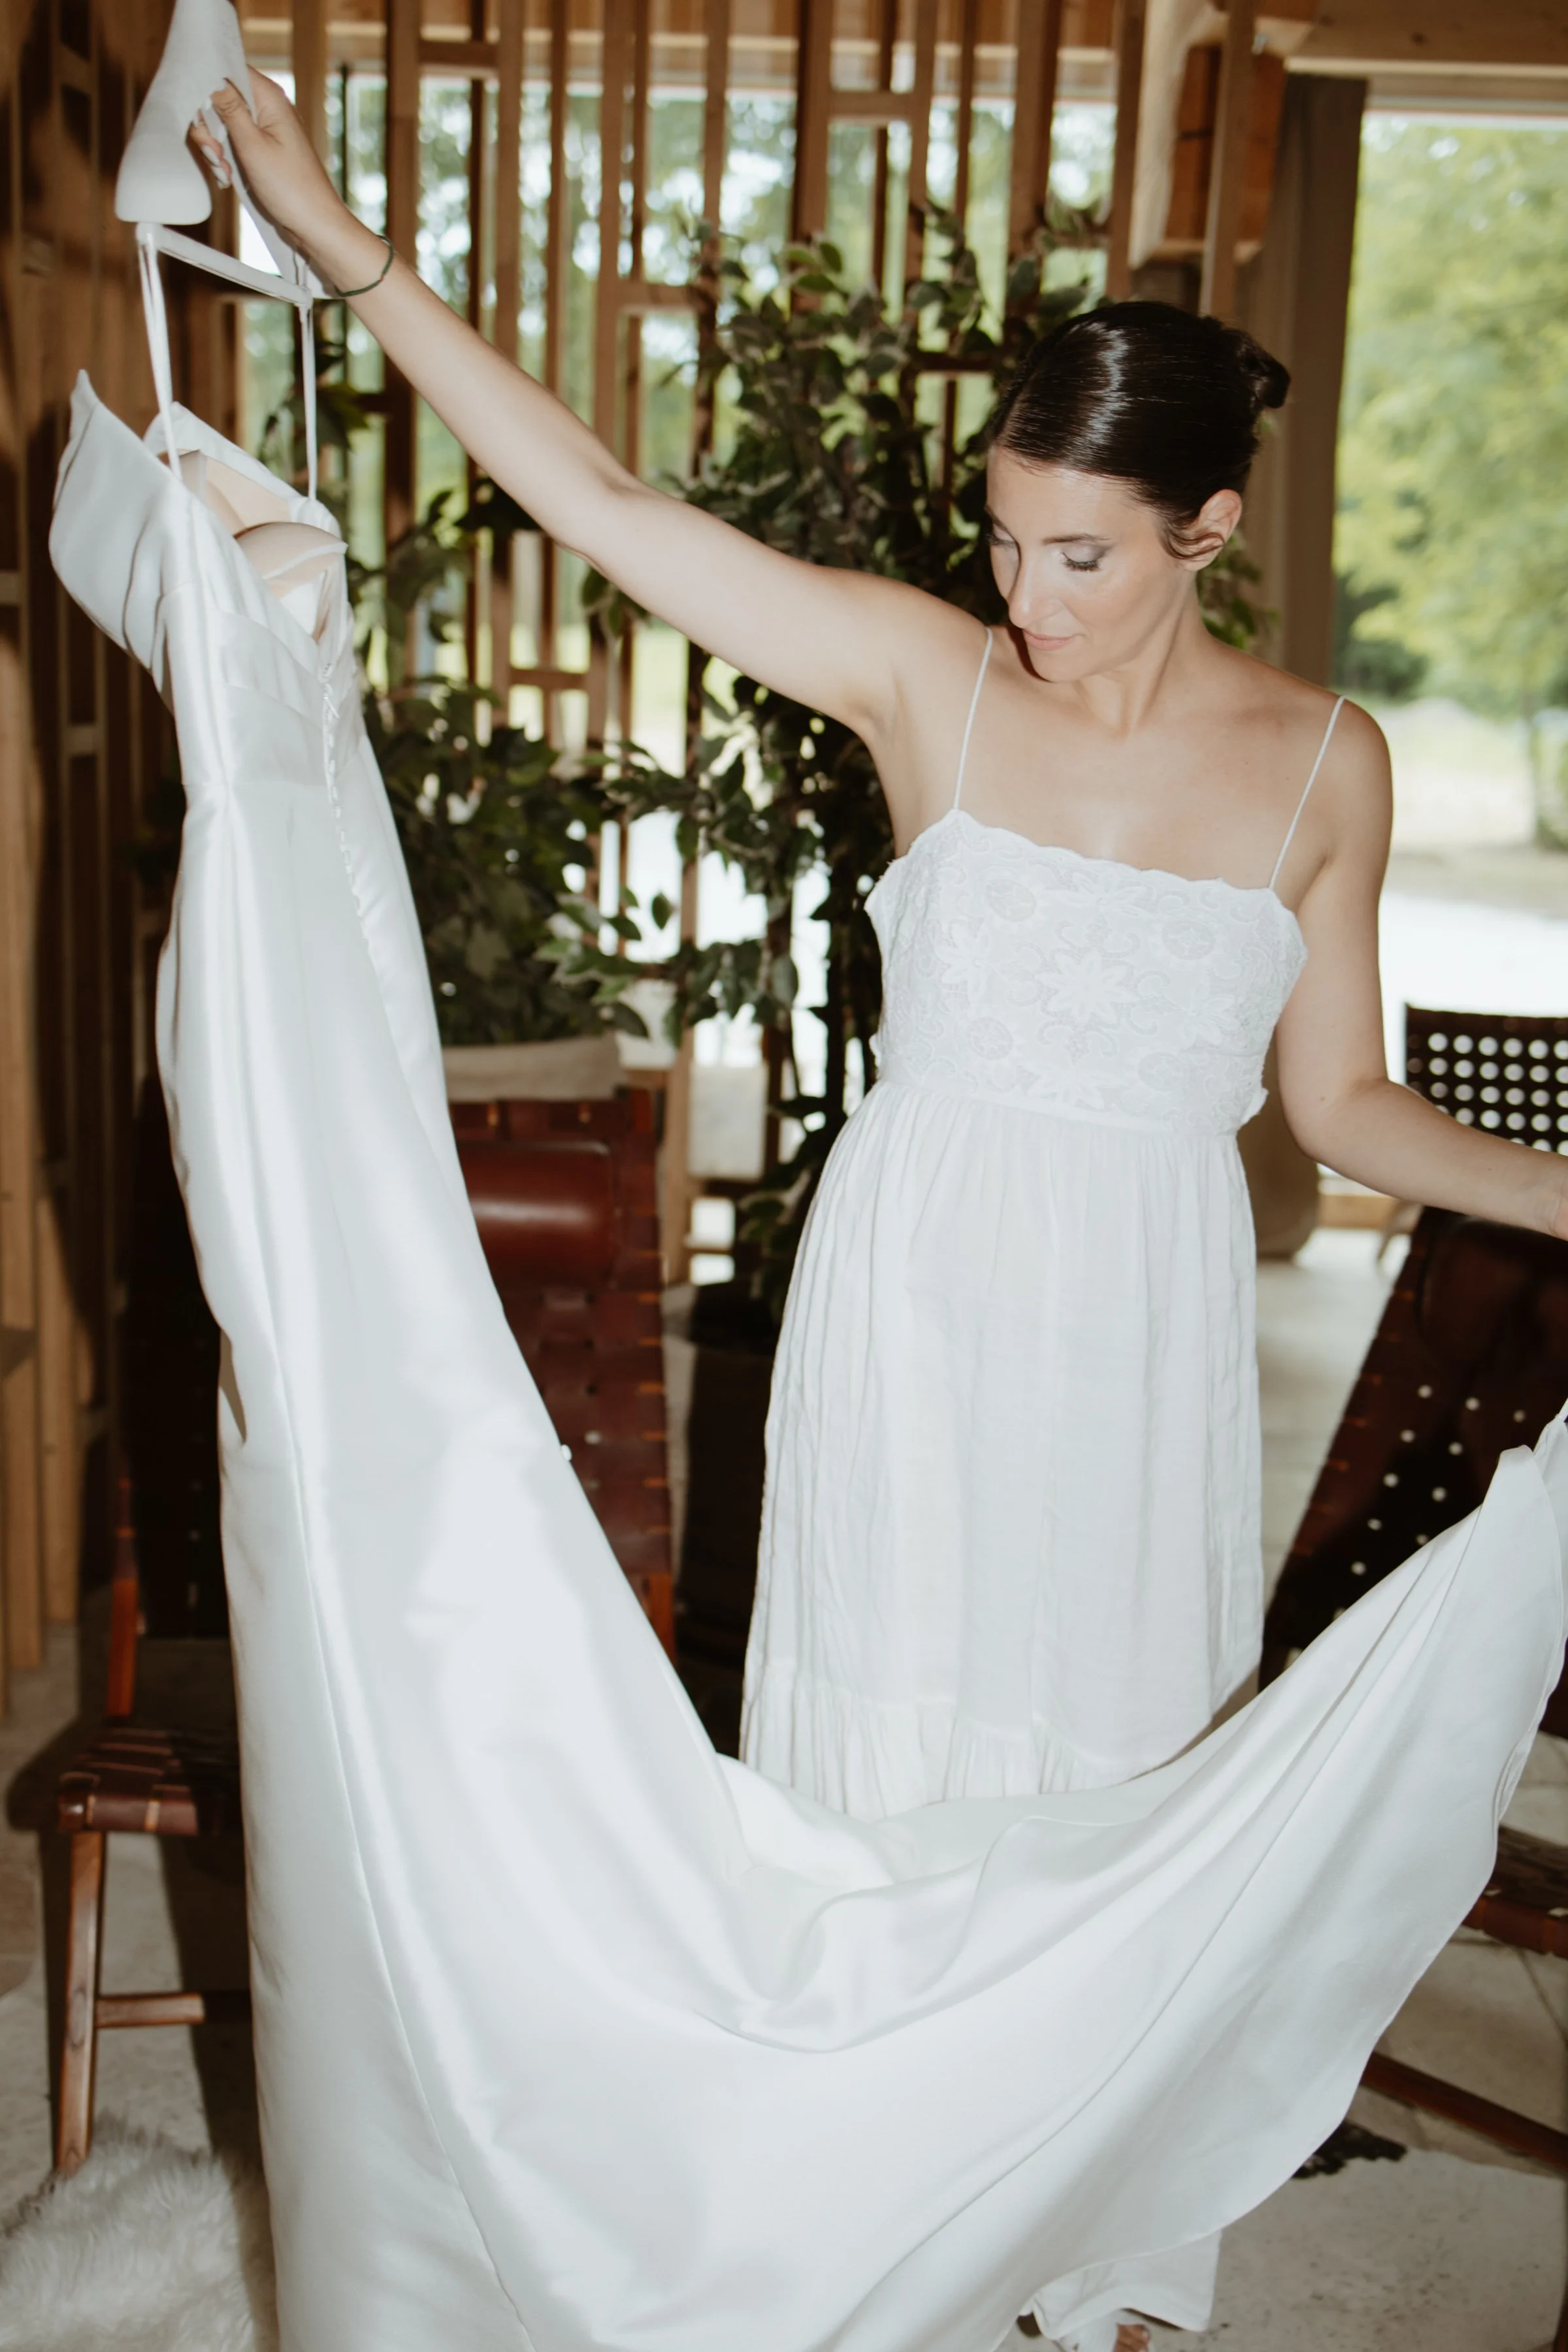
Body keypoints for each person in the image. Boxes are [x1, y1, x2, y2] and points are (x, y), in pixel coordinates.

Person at [198, 74, 1567, 2352]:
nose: (1024, 597)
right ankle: (850, 2227)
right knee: (881, 1772)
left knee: (1116, 1774)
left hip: (1141, 1338)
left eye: (1080, 555)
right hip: (915, 1298)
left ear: (1209, 529)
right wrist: (352, 251)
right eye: (1004, 540)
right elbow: (611, 500)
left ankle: (1089, 2246)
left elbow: (1344, 1109)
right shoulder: (928, 681)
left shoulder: (1331, 762)